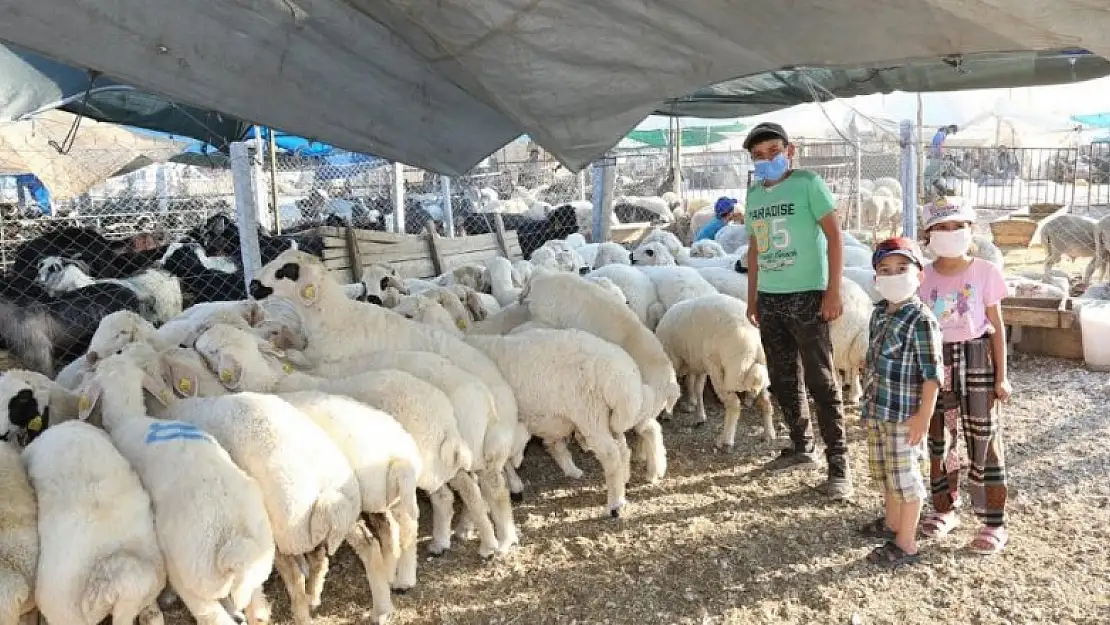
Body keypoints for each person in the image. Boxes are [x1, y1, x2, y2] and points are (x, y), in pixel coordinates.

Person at [741, 121, 852, 499]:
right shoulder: (754, 195)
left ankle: (839, 465)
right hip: (770, 297)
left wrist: (832, 292)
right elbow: (756, 248)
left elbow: (834, 235)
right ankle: (801, 446)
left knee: (821, 379)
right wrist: (752, 297)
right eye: (758, 156)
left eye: (773, 152)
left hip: (807, 294)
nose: (766, 160)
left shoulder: (808, 184)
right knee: (783, 376)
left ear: (790, 151)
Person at [917, 197, 1011, 555]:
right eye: (941, 227)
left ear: (971, 229)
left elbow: (998, 325)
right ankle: (945, 507)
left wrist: (1001, 376)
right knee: (940, 436)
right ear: (928, 234)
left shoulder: (986, 271)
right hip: (937, 360)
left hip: (976, 357)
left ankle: (993, 520)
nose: (950, 233)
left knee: (982, 436)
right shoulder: (923, 276)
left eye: (957, 225)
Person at [857, 237, 943, 566]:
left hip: (905, 416)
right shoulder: (879, 313)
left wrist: (923, 416)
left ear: (919, 275)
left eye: (901, 269)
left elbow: (932, 374)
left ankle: (906, 542)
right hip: (880, 411)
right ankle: (891, 524)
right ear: (876, 277)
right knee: (886, 473)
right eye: (885, 270)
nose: (893, 276)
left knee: (905, 478)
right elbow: (873, 363)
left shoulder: (921, 320)